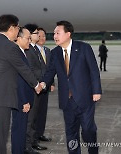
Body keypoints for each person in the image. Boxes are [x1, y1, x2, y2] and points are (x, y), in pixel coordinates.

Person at [0, 14, 42, 154]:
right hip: (2, 99)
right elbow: (23, 69)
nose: (18, 30)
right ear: (12, 28)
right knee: (0, 138)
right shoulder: (10, 46)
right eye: (18, 27)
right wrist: (36, 85)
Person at [41, 21, 102, 154]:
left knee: (87, 129)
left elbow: (93, 70)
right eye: (54, 33)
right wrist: (44, 83)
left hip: (84, 98)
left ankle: (93, 150)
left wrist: (97, 91)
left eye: (58, 33)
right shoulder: (55, 53)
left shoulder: (84, 48)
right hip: (66, 101)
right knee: (71, 133)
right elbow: (50, 72)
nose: (55, 36)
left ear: (68, 34)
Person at [24, 24, 47, 153]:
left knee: (34, 119)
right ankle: (27, 146)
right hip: (33, 88)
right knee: (29, 120)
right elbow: (31, 70)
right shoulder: (28, 50)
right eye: (36, 33)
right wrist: (40, 82)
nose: (39, 35)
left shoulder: (35, 49)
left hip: (38, 86)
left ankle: (33, 142)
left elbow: (42, 68)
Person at [11, 27, 34, 154]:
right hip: (21, 101)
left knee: (21, 130)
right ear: (18, 38)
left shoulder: (21, 52)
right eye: (28, 38)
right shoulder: (16, 54)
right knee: (19, 131)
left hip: (23, 99)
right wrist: (24, 100)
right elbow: (18, 80)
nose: (30, 41)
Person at [35, 27, 54, 142]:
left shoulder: (47, 51)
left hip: (46, 87)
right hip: (36, 87)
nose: (42, 38)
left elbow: (51, 69)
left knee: (43, 112)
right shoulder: (32, 50)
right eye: (40, 36)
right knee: (35, 113)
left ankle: (40, 133)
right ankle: (34, 137)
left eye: (44, 36)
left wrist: (52, 83)